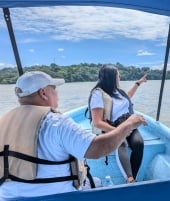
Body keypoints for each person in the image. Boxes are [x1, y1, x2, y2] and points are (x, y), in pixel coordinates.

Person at [0, 71, 147, 199]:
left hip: (9, 197)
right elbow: (98, 148)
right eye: (54, 89)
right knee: (99, 183)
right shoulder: (55, 122)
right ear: (43, 93)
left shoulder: (3, 122)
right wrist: (129, 124)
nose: (57, 94)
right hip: (58, 195)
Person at [87, 64, 147, 183]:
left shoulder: (118, 91)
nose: (119, 78)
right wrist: (119, 131)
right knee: (122, 143)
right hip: (112, 126)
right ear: (111, 77)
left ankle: (133, 178)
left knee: (139, 143)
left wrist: (138, 83)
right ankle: (129, 178)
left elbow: (128, 96)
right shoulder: (97, 94)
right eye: (118, 76)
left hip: (128, 122)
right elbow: (97, 122)